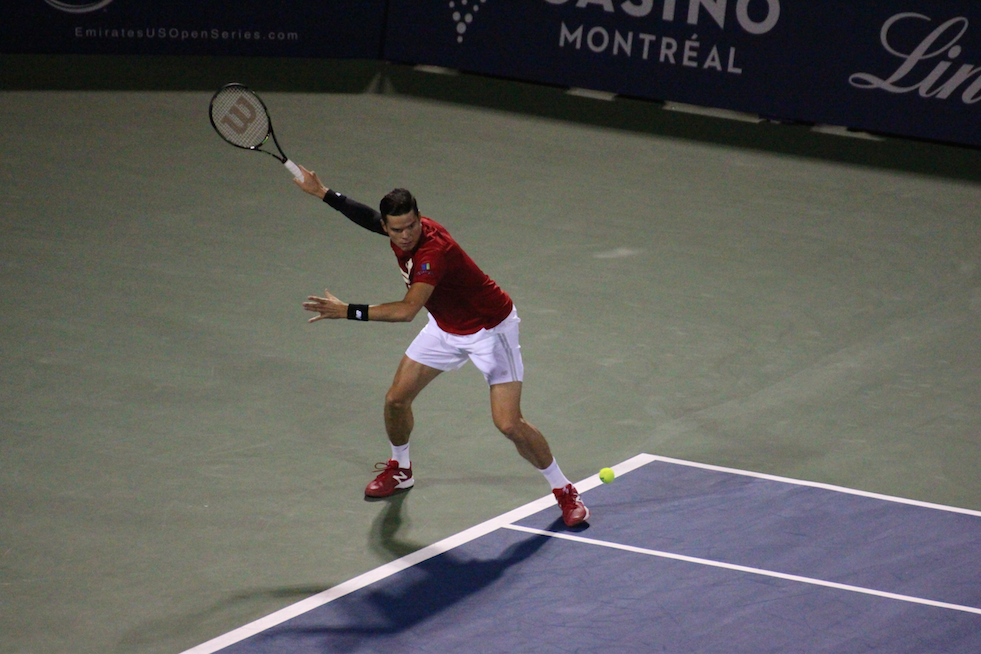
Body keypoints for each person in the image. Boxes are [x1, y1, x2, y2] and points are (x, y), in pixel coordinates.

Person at [293, 165, 589, 527]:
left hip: (490, 331)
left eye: (411, 226)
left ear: (420, 218)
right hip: (445, 327)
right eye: (396, 229)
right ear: (387, 226)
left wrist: (346, 311)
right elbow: (368, 218)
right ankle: (401, 468)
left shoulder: (434, 251)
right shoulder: (396, 230)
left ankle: (564, 490)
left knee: (509, 424)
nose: (405, 236)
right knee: (396, 400)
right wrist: (323, 192)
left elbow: (407, 311)